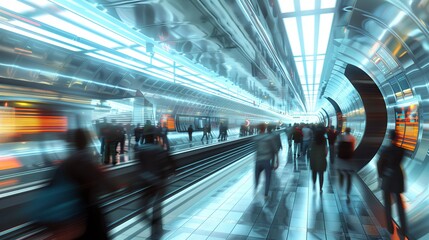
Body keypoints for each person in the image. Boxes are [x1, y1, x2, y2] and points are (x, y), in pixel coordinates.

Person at [53, 129, 116, 239]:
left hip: (72, 214)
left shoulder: (67, 162)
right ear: (87, 141)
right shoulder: (88, 160)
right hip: (90, 211)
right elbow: (109, 186)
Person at [135, 138, 176, 238]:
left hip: (146, 184)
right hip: (159, 183)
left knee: (142, 211)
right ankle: (158, 229)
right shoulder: (159, 149)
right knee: (156, 208)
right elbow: (170, 165)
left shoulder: (140, 150)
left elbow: (139, 167)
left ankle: (155, 230)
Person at [377, 130, 407, 236]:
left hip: (387, 177)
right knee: (399, 203)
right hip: (398, 177)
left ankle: (390, 228)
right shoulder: (401, 150)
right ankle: (403, 230)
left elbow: (380, 163)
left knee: (387, 203)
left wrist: (380, 176)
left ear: (389, 137)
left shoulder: (385, 150)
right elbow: (399, 162)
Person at [254, 123, 276, 199]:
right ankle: (266, 194)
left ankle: (255, 190)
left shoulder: (256, 138)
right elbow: (274, 149)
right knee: (268, 177)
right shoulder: (269, 137)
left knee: (256, 176)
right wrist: (276, 162)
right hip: (266, 160)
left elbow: (254, 149)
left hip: (258, 160)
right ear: (265, 128)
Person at [336, 127, 356, 201]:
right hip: (349, 159)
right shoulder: (352, 138)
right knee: (349, 176)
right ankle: (348, 193)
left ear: (345, 131)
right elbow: (353, 148)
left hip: (341, 159)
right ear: (350, 131)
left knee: (341, 174)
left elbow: (337, 147)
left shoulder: (341, 137)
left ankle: (340, 189)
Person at [309, 127, 328, 193]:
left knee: (314, 172)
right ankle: (320, 188)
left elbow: (310, 148)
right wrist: (324, 155)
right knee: (321, 174)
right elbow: (326, 150)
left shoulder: (313, 139)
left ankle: (314, 182)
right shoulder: (324, 139)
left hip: (314, 158)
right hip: (321, 158)